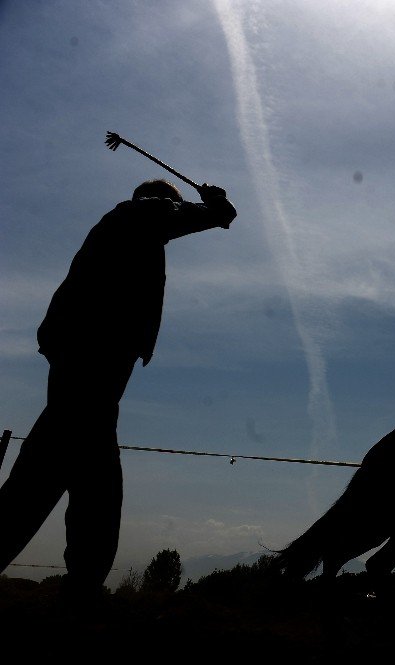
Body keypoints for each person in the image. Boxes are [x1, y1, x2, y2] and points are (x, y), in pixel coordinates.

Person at [0, 179, 237, 605]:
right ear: (165, 200)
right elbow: (218, 217)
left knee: (63, 470)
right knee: (82, 477)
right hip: (94, 359)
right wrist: (215, 202)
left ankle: (83, 586)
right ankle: (84, 588)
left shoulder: (123, 226)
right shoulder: (143, 212)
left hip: (83, 358)